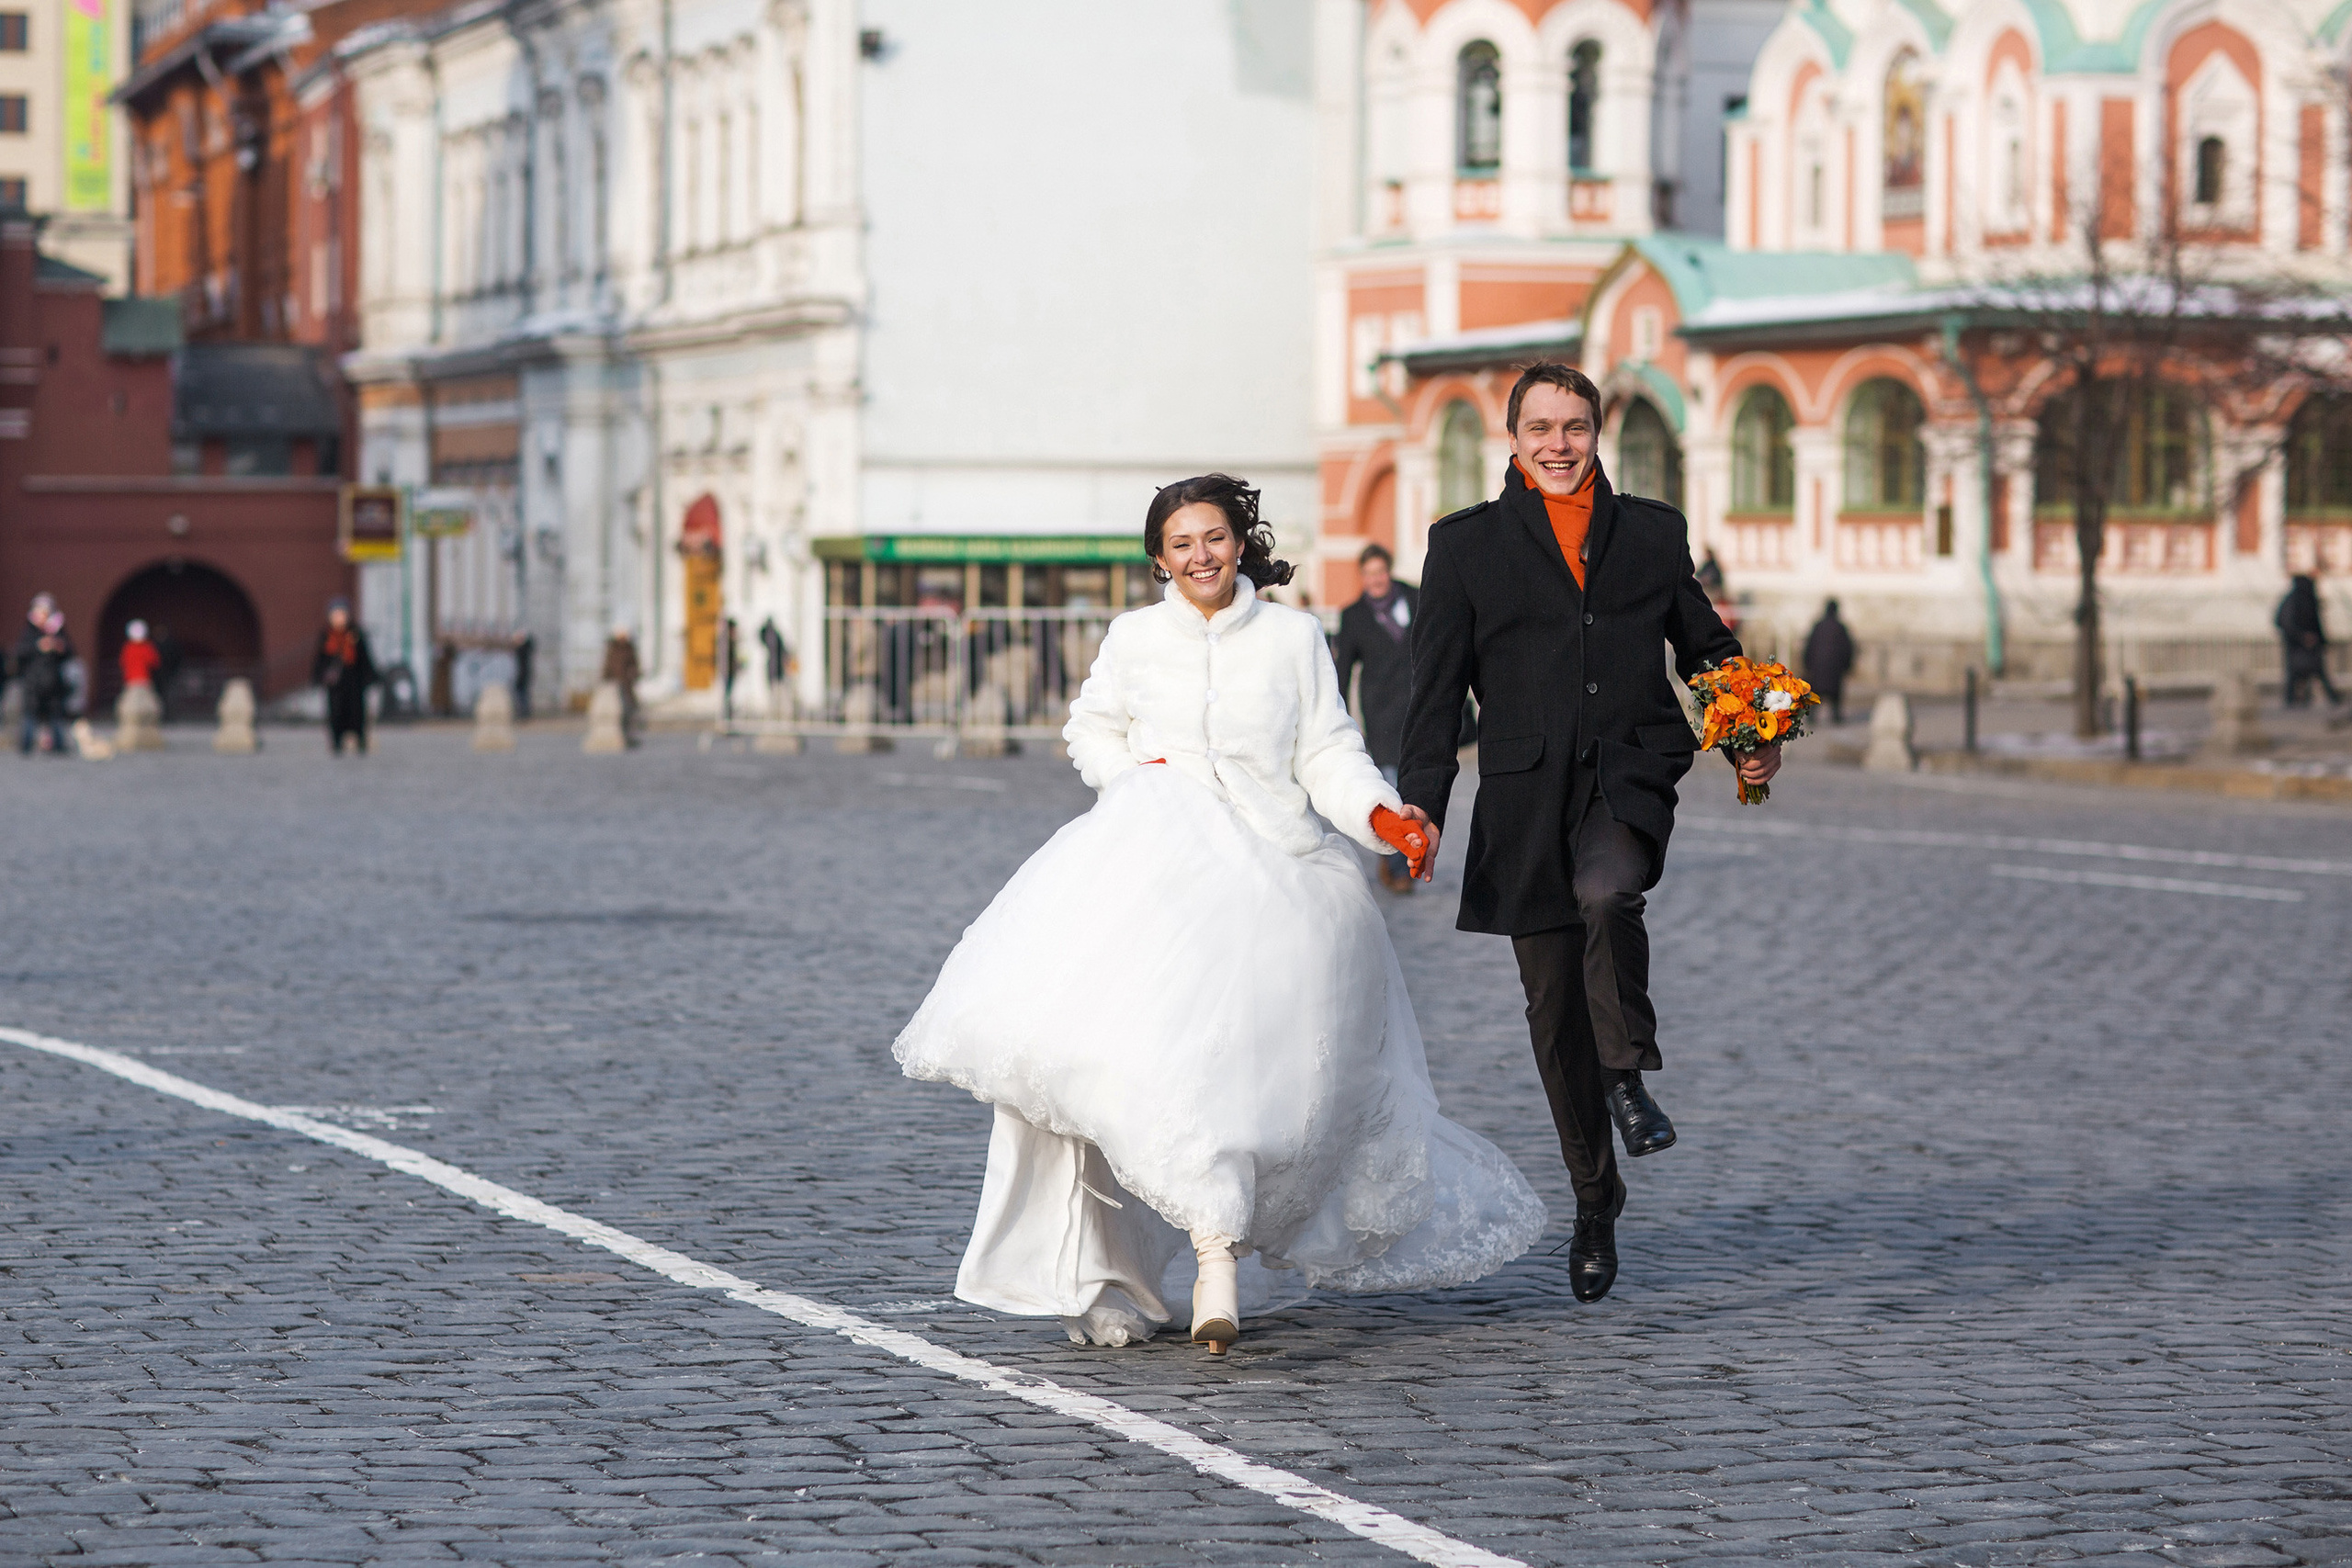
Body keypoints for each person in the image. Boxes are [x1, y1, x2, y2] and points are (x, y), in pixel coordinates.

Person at [895, 474, 1544, 1354]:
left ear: (1242, 542)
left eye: (1214, 537)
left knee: (1236, 1074)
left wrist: (1382, 816)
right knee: (1108, 1072)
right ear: (1159, 559)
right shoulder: (1132, 637)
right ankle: (1142, 1269)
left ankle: (1218, 1254)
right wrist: (1139, 783)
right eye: (1181, 543)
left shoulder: (1293, 636)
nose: (1200, 556)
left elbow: (1327, 750)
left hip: (1276, 876)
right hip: (1150, 872)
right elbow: (1091, 728)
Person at [1398, 363, 1779, 1307]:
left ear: (1597, 433)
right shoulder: (1464, 545)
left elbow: (1707, 648)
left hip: (1626, 773)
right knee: (1553, 1015)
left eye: (1574, 426)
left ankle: (1629, 1078)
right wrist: (1423, 807)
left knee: (1608, 892)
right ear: (1513, 438)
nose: (1558, 444)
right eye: (1541, 427)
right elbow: (1434, 695)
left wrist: (1749, 738)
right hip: (1523, 798)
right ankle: (1594, 1199)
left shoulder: (1650, 531)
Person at [1329, 543, 1420, 893]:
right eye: (1369, 575)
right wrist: (1336, 715)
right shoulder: (1353, 615)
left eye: (1380, 572)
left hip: (1418, 710)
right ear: (1362, 577)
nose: (1376, 580)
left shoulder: (1416, 598)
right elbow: (1343, 670)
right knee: (1393, 789)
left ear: (1389, 571)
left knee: (1416, 788)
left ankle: (1402, 857)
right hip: (1381, 715)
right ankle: (1399, 867)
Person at [312, 600, 378, 755]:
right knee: (336, 713)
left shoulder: (356, 634)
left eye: (341, 615)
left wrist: (370, 677)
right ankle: (337, 741)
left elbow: (364, 658)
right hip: (335, 685)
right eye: (336, 615)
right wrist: (319, 676)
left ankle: (360, 739)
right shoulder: (327, 636)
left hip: (354, 682)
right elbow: (321, 660)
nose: (339, 619)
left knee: (357, 712)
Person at [15, 595, 72, 756]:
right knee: (30, 715)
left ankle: (58, 745)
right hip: (33, 682)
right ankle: (26, 746)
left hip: (53, 682)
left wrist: (59, 647)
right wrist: (38, 646)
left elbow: (70, 652)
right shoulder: (30, 632)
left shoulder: (58, 631)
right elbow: (20, 653)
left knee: (55, 715)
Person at [2276, 575, 2340, 708]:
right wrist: (2302, 636)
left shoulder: (2304, 599)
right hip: (2297, 647)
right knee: (2299, 673)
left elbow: (2316, 623)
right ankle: (2293, 701)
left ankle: (2298, 700)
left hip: (2307, 646)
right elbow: (2285, 622)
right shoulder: (2296, 600)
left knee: (2312, 672)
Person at [1803, 599, 1857, 724]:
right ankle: (1836, 717)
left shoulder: (1818, 626)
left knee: (1815, 694)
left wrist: (1807, 664)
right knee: (1835, 696)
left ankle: (1812, 718)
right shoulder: (1841, 627)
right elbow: (1848, 648)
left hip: (1817, 669)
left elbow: (1809, 646)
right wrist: (1847, 666)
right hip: (1835, 670)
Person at [602, 626, 641, 744]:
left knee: (628, 711)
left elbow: (634, 664)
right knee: (616, 712)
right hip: (614, 686)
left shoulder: (629, 648)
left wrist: (633, 675)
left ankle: (628, 736)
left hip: (627, 685)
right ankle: (615, 735)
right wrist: (605, 681)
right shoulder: (612, 648)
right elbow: (607, 666)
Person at [120, 620, 163, 694]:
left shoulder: (127, 648)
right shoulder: (147, 647)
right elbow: (156, 662)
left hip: (134, 682)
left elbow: (123, 662)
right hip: (142, 681)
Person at [512, 630, 536, 721]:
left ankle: (524, 713)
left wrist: (523, 637)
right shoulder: (520, 649)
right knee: (522, 694)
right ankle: (523, 712)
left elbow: (530, 643)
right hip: (522, 674)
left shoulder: (523, 648)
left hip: (523, 675)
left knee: (523, 695)